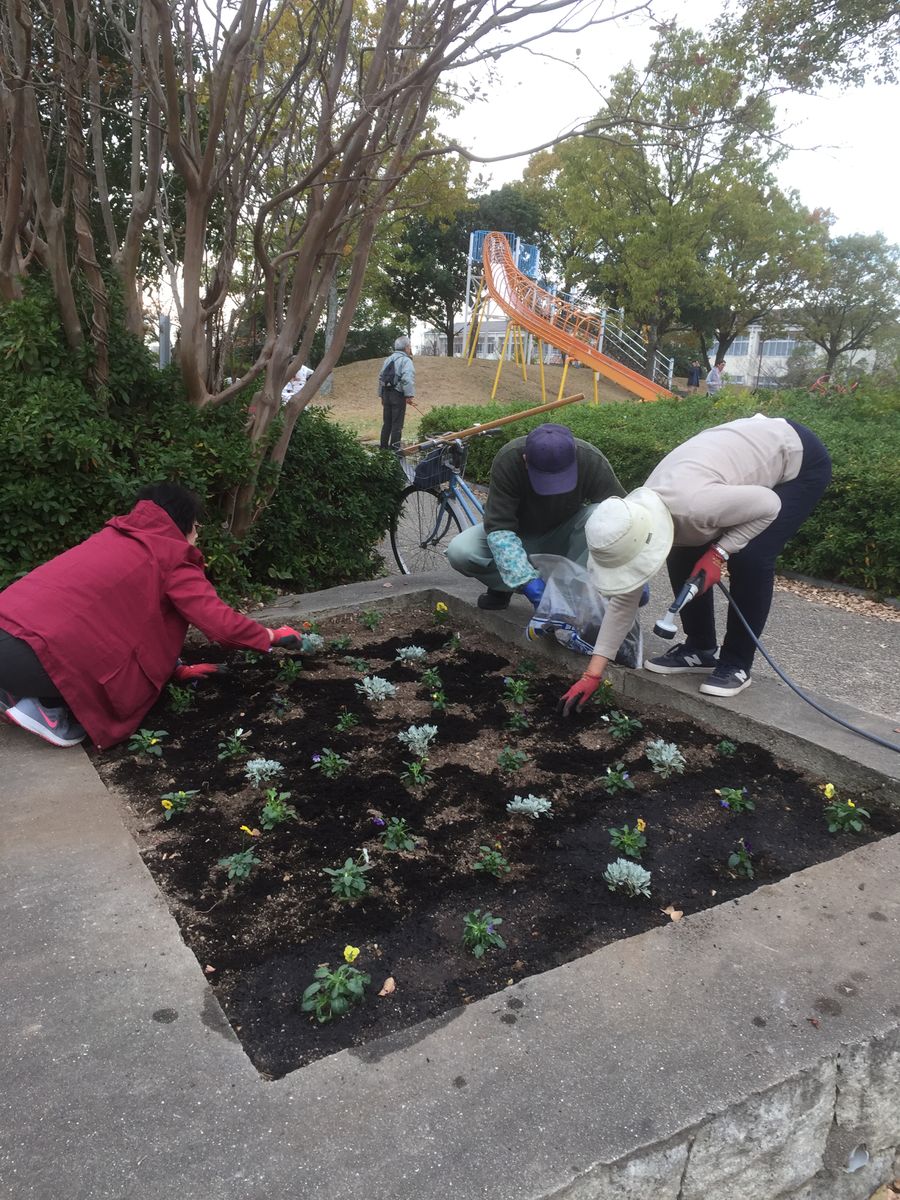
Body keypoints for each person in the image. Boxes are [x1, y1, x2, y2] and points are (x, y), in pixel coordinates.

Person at [559, 414, 832, 714]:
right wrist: (593, 673)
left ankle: (737, 663)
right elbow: (626, 599)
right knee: (682, 547)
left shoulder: (694, 508)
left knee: (751, 557)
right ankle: (700, 648)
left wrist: (720, 552)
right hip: (730, 470)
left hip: (796, 459)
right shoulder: (639, 517)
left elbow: (769, 505)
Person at [0, 483, 305, 750]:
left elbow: (123, 627)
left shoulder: (113, 538)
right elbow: (221, 625)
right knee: (70, 668)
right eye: (197, 526)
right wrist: (272, 636)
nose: (197, 535)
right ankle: (48, 708)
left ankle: (10, 690)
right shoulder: (171, 557)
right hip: (30, 656)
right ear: (183, 525)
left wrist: (173, 667)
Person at [446, 423, 626, 611]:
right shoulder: (509, 460)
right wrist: (524, 580)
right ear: (525, 460)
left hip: (565, 536)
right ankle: (505, 585)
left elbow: (624, 515)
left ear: (574, 457)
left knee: (601, 513)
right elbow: (500, 529)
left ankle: (570, 597)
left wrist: (627, 572)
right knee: (461, 552)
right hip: (520, 534)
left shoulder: (590, 460)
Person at [378, 335, 416, 450]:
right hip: (397, 395)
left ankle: (383, 450)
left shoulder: (388, 359)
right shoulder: (406, 360)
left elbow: (380, 378)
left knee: (387, 423)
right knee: (397, 425)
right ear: (406, 347)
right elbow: (407, 378)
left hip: (386, 394)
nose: (410, 349)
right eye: (409, 346)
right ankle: (395, 452)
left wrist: (381, 396)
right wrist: (409, 395)